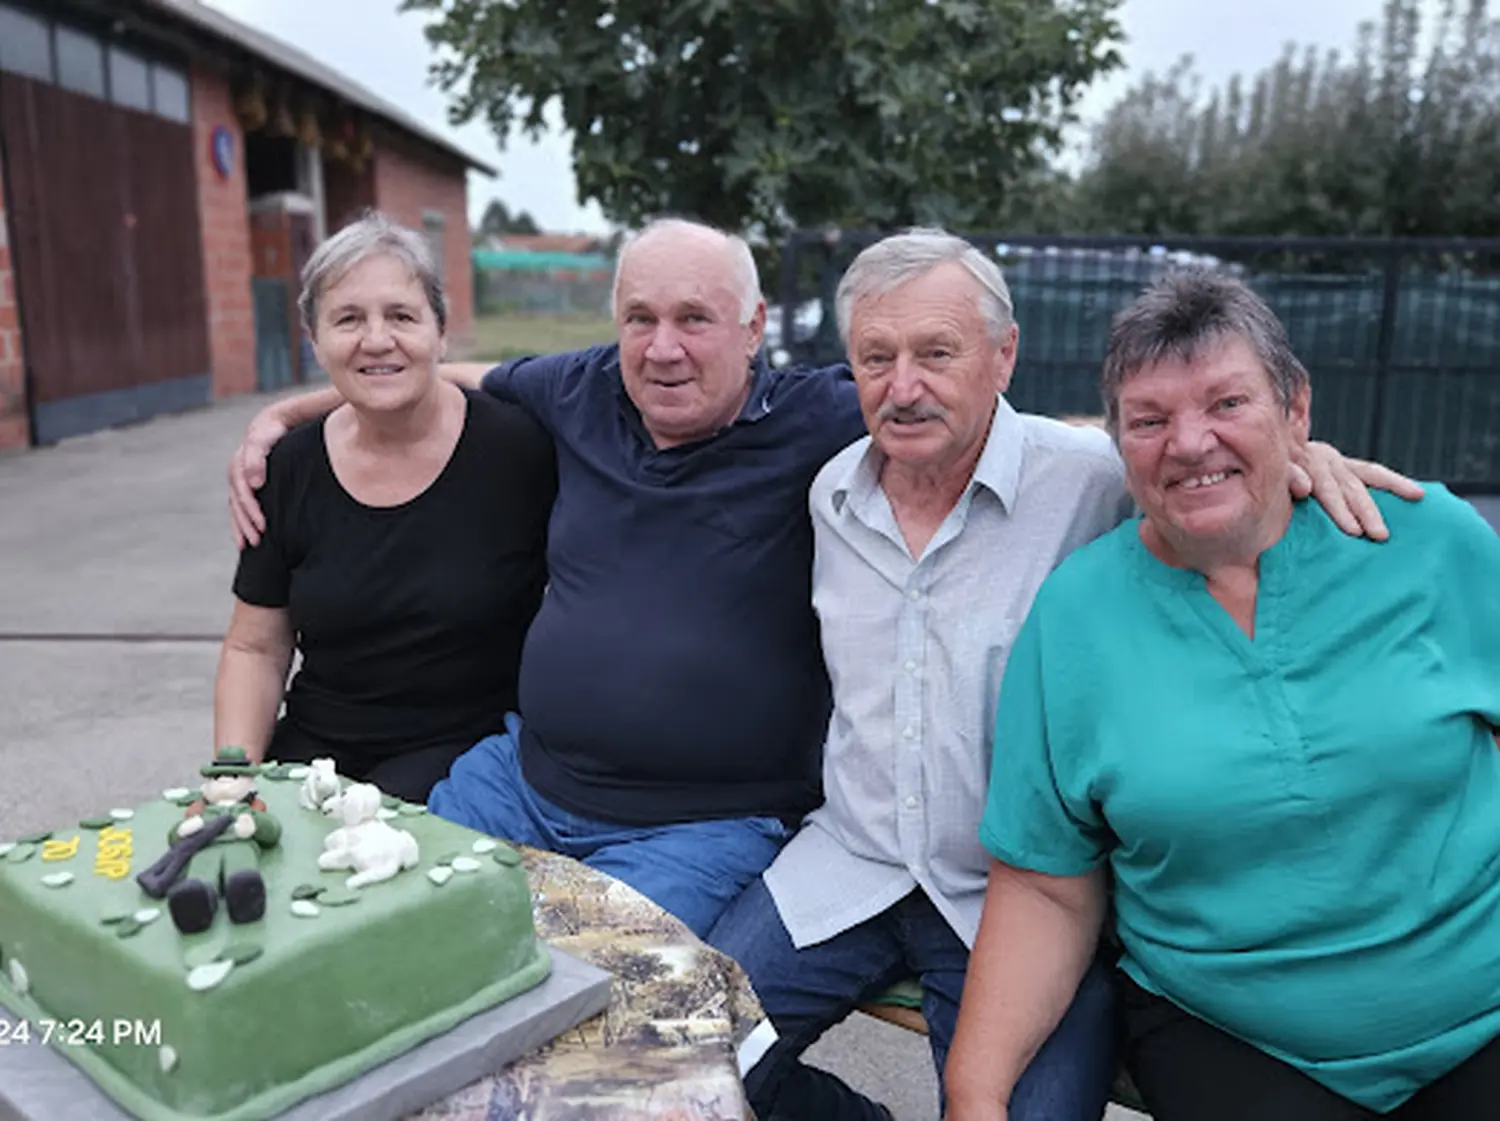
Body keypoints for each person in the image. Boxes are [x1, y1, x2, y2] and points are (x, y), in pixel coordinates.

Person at [225, 217, 1408, 942]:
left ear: (755, 331)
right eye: (640, 317)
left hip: (705, 820)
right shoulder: (579, 390)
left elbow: (1007, 418)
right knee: (363, 915)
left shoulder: (832, 416)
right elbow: (433, 365)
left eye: (697, 318)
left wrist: (1273, 453)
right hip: (521, 773)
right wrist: (298, 402)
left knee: (580, 987)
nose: (665, 346)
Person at [944, 270, 1498, 1121]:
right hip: (1238, 1033)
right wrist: (972, 1094)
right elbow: (1046, 884)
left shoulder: (1427, 541)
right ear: (1118, 440)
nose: (1190, 442)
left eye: (1227, 403)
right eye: (1150, 419)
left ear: (1297, 411)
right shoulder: (1077, 618)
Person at [214, 212, 556, 805]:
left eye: (401, 316)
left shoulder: (522, 447)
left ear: (440, 333)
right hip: (318, 748)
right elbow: (256, 647)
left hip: (469, 759)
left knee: (351, 870)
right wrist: (231, 774)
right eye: (348, 319)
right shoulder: (286, 467)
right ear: (315, 341)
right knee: (229, 865)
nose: (377, 339)